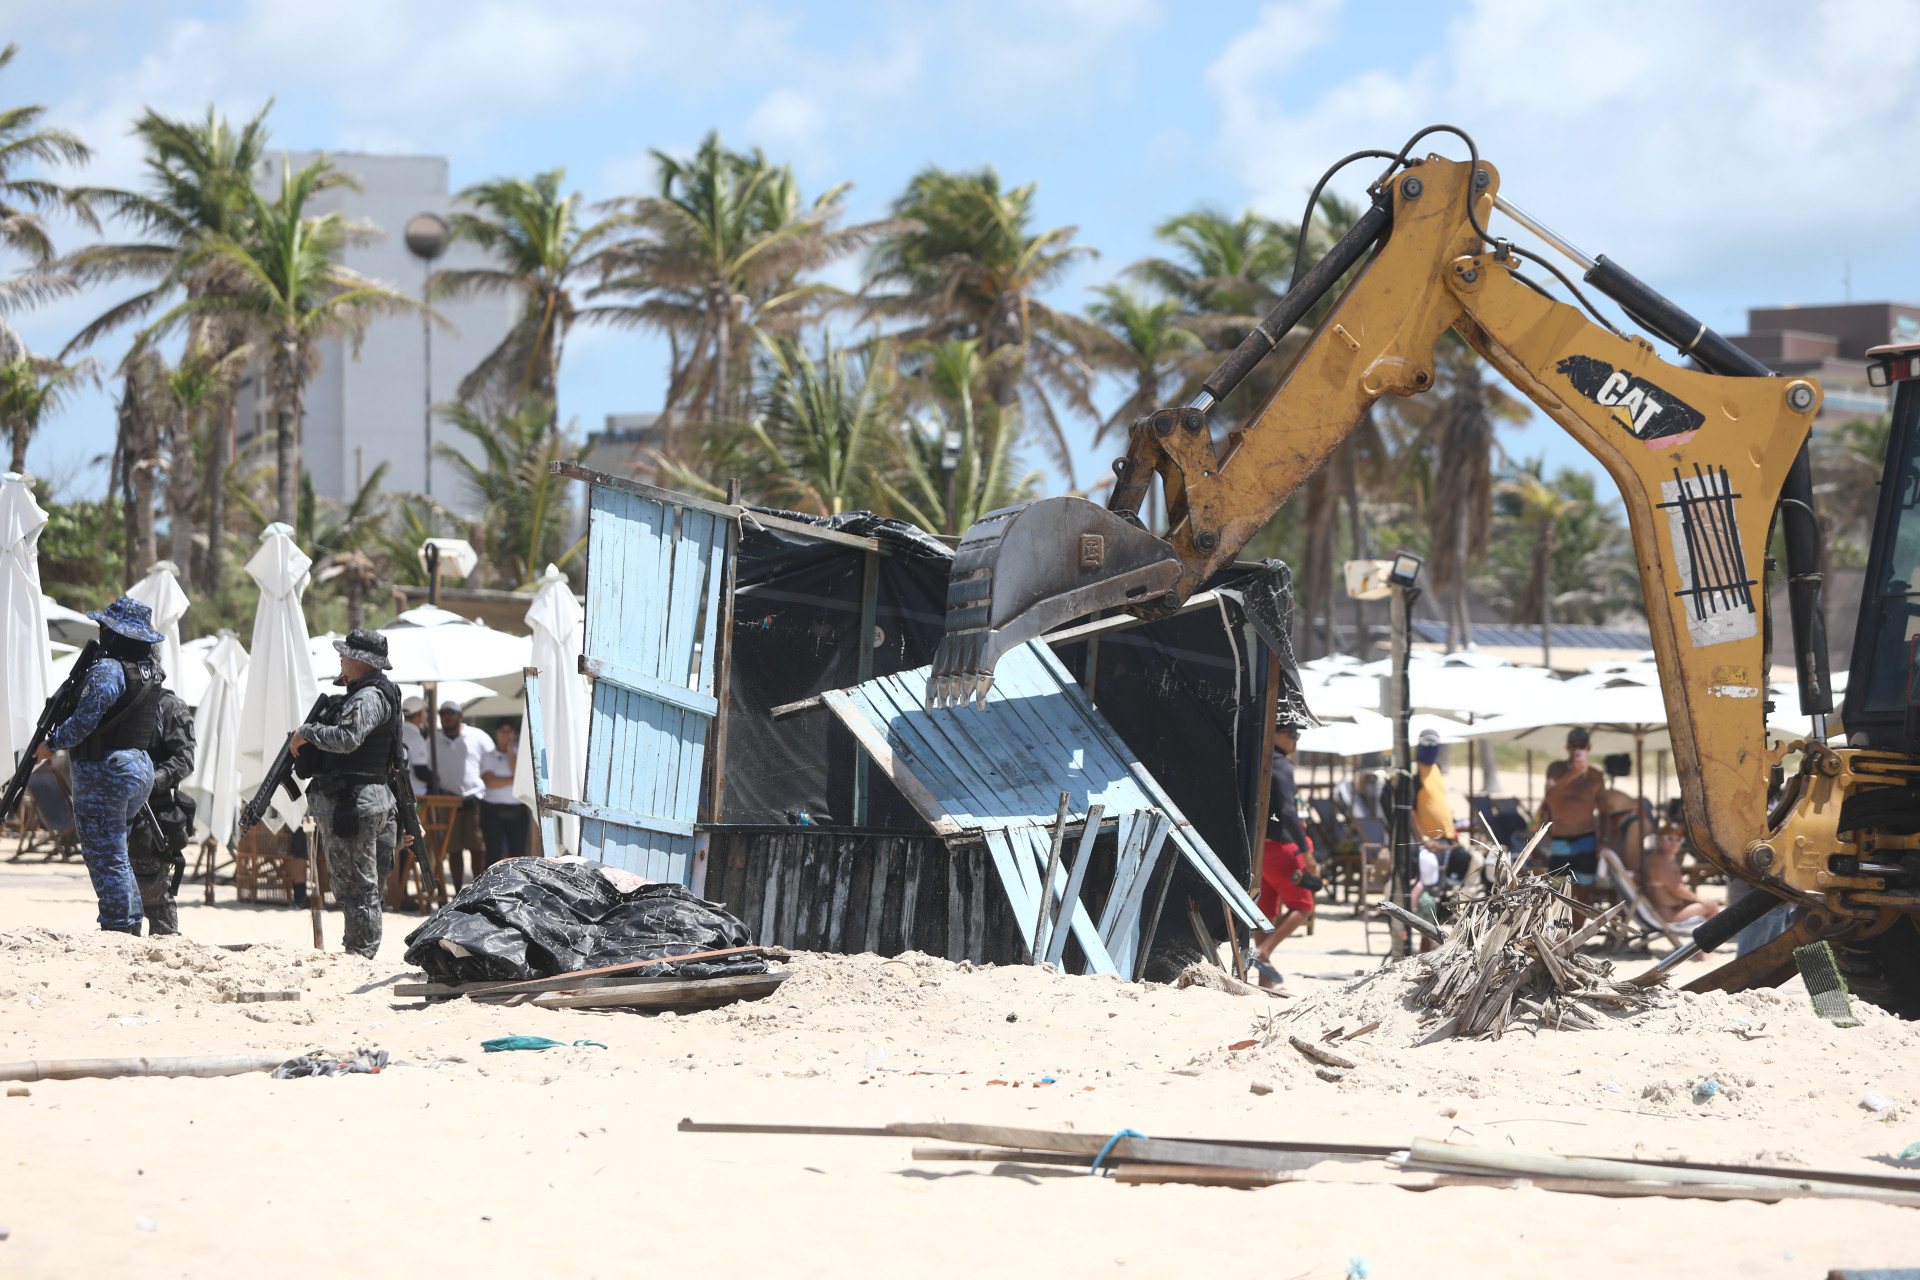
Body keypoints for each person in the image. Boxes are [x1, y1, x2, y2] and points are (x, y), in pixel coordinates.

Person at [42, 597, 166, 934]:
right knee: (117, 854)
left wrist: (49, 745)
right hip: (138, 767)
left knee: (105, 856)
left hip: (105, 771)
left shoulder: (110, 669)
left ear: (114, 632)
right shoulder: (150, 670)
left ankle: (118, 927)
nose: (100, 632)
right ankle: (128, 922)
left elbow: (83, 722)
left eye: (104, 628)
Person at [288, 629, 407, 959]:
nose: (340, 658)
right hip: (371, 800)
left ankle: (359, 954)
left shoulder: (368, 696)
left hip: (353, 804)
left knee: (357, 888)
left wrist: (306, 733)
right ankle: (362, 951)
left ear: (360, 661)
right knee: (368, 887)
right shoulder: (383, 693)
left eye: (345, 654)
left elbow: (347, 738)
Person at [1249, 720, 1319, 988]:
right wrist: (1306, 852)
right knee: (1303, 905)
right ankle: (1263, 953)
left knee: (1265, 916)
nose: (1296, 740)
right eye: (1291, 734)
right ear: (1275, 735)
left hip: (1261, 850)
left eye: (1297, 734)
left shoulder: (1259, 762)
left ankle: (1264, 980)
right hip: (1283, 847)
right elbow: (1289, 813)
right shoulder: (1281, 765)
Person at [126, 686, 196, 935]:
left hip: (151, 816)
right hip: (117, 816)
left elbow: (184, 759)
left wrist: (151, 781)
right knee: (121, 906)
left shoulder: (168, 706)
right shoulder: (117, 700)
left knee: (156, 902)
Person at [1538, 726, 1606, 903]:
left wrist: (1604, 839)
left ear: (1588, 748)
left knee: (1583, 891)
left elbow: (1604, 810)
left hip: (1586, 839)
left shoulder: (1595, 776)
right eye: (1573, 745)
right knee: (1555, 890)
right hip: (1561, 839)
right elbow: (1550, 797)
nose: (1577, 749)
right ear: (1567, 747)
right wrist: (1572, 774)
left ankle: (1577, 931)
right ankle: (1556, 930)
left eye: (1581, 745)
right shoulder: (1556, 769)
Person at [429, 699, 490, 887]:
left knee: (477, 846)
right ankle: (456, 890)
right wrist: (439, 790)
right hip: (448, 800)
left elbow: (491, 764)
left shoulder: (477, 736)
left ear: (460, 715)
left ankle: (478, 886)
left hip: (475, 799)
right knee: (453, 847)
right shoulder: (433, 740)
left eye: (450, 713)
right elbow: (425, 770)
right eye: (442, 714)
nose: (446, 717)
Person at [1640, 820, 1721, 927]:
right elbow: (1676, 888)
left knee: (1711, 906)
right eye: (1669, 838)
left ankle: (1707, 937)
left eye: (1678, 839)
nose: (1674, 843)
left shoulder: (1669, 860)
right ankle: (1707, 938)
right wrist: (1699, 899)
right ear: (1659, 840)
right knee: (1711, 906)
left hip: (1674, 910)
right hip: (1666, 915)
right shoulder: (1658, 861)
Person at [477, 721, 529, 867]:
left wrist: (511, 751)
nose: (506, 735)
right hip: (492, 808)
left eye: (510, 731)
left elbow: (517, 772)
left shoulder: (520, 753)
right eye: (503, 731)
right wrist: (515, 780)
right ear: (497, 733)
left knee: (517, 852)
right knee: (493, 851)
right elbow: (490, 781)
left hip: (517, 808)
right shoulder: (488, 755)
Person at [399, 697, 430, 798]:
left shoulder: (397, 731)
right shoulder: (416, 737)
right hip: (416, 794)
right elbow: (421, 772)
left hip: (398, 792)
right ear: (420, 714)